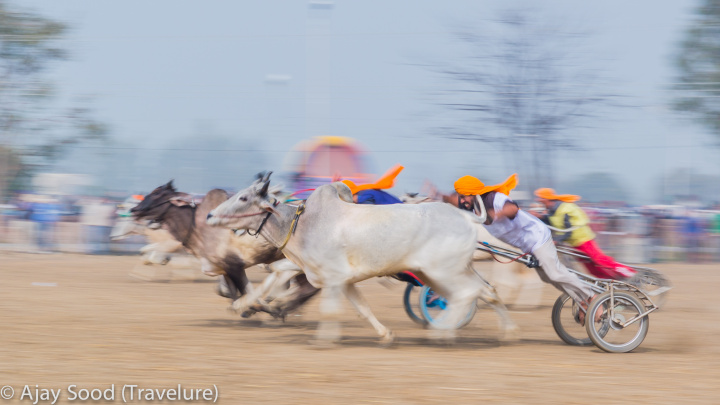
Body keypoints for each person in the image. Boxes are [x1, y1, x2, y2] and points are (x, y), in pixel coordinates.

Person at [453, 174, 599, 325]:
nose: (462, 200)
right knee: (547, 277)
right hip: (527, 246)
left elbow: (513, 209)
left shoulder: (494, 199)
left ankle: (591, 295)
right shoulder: (473, 206)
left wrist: (496, 213)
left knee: (554, 273)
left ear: (474, 193)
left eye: (464, 196)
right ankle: (582, 300)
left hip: (537, 237)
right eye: (460, 197)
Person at [532, 188, 637, 280]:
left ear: (547, 198)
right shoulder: (551, 211)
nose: (538, 200)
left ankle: (630, 273)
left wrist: (556, 240)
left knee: (602, 261)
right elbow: (554, 224)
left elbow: (569, 231)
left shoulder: (564, 209)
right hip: (575, 244)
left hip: (584, 240)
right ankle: (610, 282)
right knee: (592, 270)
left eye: (540, 198)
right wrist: (541, 217)